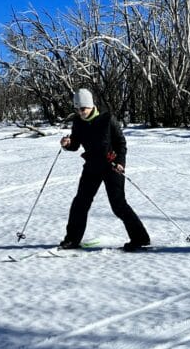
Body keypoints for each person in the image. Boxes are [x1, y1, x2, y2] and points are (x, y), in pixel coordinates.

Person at [59, 88, 151, 252]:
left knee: (118, 205)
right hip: (91, 167)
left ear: (90, 105)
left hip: (111, 166)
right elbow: (75, 144)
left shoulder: (107, 119)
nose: (80, 112)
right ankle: (72, 239)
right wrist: (68, 144)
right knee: (80, 203)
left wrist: (120, 162)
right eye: (77, 109)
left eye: (83, 109)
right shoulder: (78, 122)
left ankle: (140, 238)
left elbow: (121, 144)